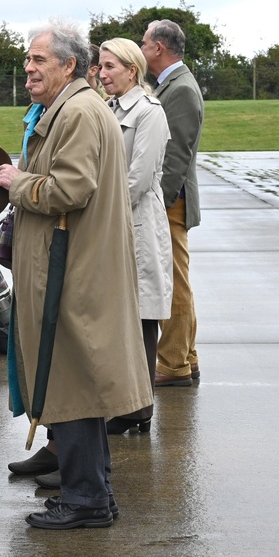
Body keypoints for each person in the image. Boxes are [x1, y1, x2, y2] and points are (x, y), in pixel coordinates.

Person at [0, 19, 152, 530]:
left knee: (74, 384)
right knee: (77, 382)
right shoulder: (73, 107)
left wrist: (18, 183)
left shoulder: (79, 112)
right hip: (68, 267)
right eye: (27, 60)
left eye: (39, 60)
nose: (29, 68)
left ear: (69, 65)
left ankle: (86, 499)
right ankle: (92, 493)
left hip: (73, 272)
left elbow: (69, 189)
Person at [98, 38, 173, 435]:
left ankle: (139, 408)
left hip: (136, 223)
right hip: (110, 222)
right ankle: (122, 402)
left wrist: (98, 215)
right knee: (116, 315)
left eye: (110, 66)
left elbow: (138, 181)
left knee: (141, 315)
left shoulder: (149, 112)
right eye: (100, 66)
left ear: (132, 69)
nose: (103, 73)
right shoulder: (106, 109)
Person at [140, 19, 204, 386]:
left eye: (145, 43)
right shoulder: (172, 85)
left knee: (173, 281)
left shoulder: (180, 89)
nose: (142, 47)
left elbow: (175, 155)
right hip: (172, 198)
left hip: (171, 200)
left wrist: (158, 205)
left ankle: (173, 363)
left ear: (159, 48)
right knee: (177, 278)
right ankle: (187, 356)